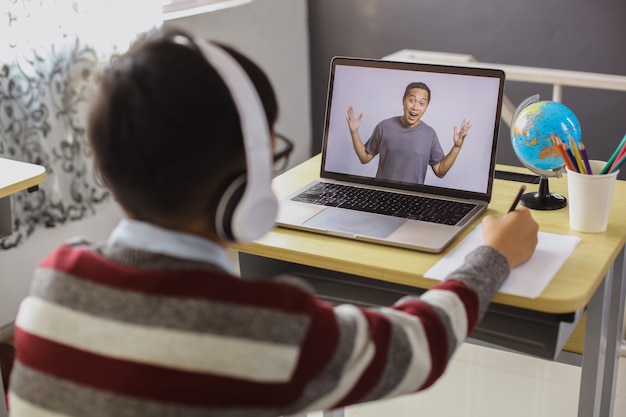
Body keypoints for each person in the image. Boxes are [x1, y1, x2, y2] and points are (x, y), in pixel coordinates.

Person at [8, 27, 538, 417]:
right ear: (252, 174)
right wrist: (492, 257)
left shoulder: (54, 281)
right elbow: (423, 345)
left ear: (106, 166)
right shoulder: (272, 329)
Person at [347, 82, 471, 184]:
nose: (415, 107)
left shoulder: (429, 134)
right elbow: (364, 157)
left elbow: (440, 171)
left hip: (413, 199)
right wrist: (354, 132)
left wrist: (456, 147)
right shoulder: (384, 126)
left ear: (426, 107)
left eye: (421, 103)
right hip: (382, 195)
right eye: (411, 100)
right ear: (403, 100)